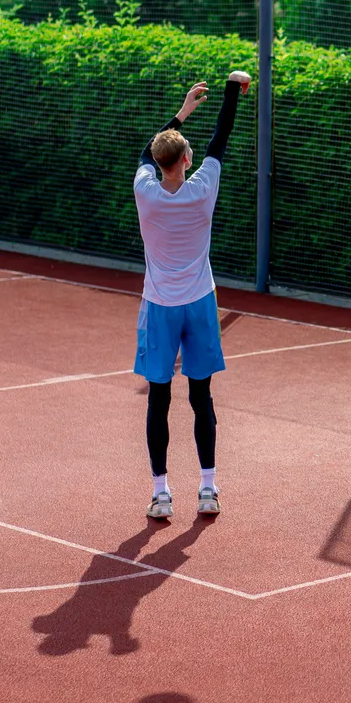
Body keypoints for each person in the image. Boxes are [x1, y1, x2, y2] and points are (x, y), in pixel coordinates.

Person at [133, 71, 250, 520]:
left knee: (158, 400)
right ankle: (207, 488)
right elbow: (221, 138)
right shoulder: (203, 191)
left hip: (159, 308)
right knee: (201, 398)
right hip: (199, 303)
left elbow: (148, 152)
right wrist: (231, 90)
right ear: (185, 159)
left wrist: (181, 113)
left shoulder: (145, 192)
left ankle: (161, 494)